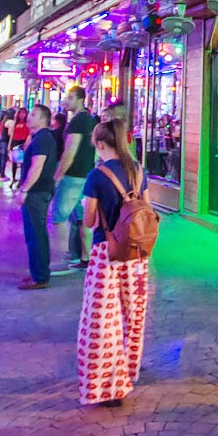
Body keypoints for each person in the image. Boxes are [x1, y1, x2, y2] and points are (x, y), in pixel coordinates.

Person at [77, 120, 151, 407]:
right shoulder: (138, 170)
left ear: (100, 143)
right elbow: (146, 208)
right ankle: (130, 370)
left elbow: (90, 220)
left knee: (102, 320)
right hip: (135, 254)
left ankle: (108, 385)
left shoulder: (96, 176)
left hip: (105, 253)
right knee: (132, 315)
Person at [18, 105, 60, 289]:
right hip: (40, 191)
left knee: (36, 234)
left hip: (37, 192)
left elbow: (37, 166)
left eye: (33, 114)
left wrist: (25, 189)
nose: (29, 117)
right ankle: (38, 272)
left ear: (43, 119)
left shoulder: (42, 138)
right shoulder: (40, 138)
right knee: (35, 233)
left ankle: (40, 276)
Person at [61, 87, 97, 268]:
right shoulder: (87, 119)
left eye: (70, 97)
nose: (67, 100)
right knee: (80, 218)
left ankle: (86, 256)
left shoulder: (79, 121)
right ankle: (83, 255)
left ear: (81, 99)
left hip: (75, 176)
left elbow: (70, 151)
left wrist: (58, 174)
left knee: (62, 216)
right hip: (85, 173)